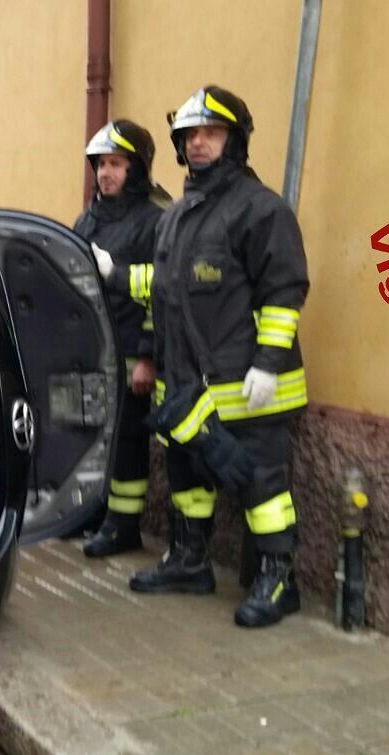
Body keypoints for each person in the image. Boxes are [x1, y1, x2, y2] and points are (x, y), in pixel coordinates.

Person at [130, 85, 311, 629]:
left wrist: (268, 365)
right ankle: (189, 562)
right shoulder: (174, 216)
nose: (198, 143)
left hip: (246, 387)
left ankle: (279, 581)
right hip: (185, 387)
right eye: (190, 135)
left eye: (211, 133)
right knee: (187, 476)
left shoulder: (262, 209)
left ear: (234, 141)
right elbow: (162, 293)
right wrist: (148, 352)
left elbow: (284, 292)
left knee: (261, 483)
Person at [73, 119, 166, 558]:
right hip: (92, 350)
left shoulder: (155, 221)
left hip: (130, 350)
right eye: (100, 164)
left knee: (127, 439)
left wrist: (148, 356)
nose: (105, 173)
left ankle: (124, 525)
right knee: (94, 436)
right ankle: (96, 512)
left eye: (116, 164)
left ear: (137, 169)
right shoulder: (88, 219)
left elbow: (162, 295)